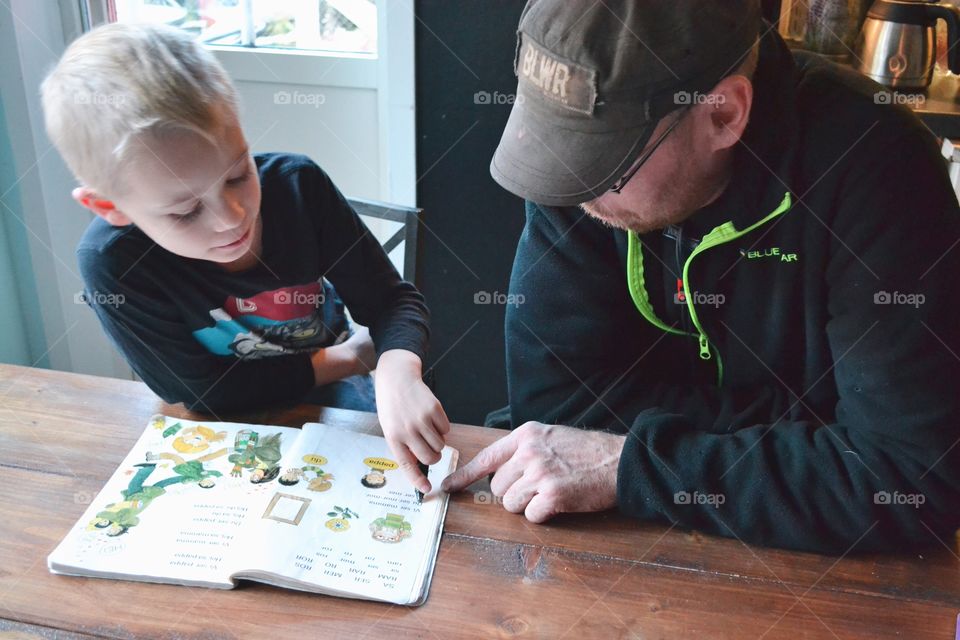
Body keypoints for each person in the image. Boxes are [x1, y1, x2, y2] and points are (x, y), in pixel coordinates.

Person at [443, 0, 960, 553]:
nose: (574, 189)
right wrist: (808, 431)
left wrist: (632, 462)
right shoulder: (581, 181)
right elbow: (550, 404)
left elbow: (909, 480)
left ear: (723, 114)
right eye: (560, 149)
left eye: (606, 160)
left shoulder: (880, 167)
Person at [42, 23, 446, 494]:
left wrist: (397, 371)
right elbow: (198, 392)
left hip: (340, 393)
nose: (231, 219)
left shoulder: (299, 186)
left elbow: (392, 302)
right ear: (110, 208)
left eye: (237, 175)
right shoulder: (111, 264)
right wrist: (351, 355)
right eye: (186, 210)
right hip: (231, 412)